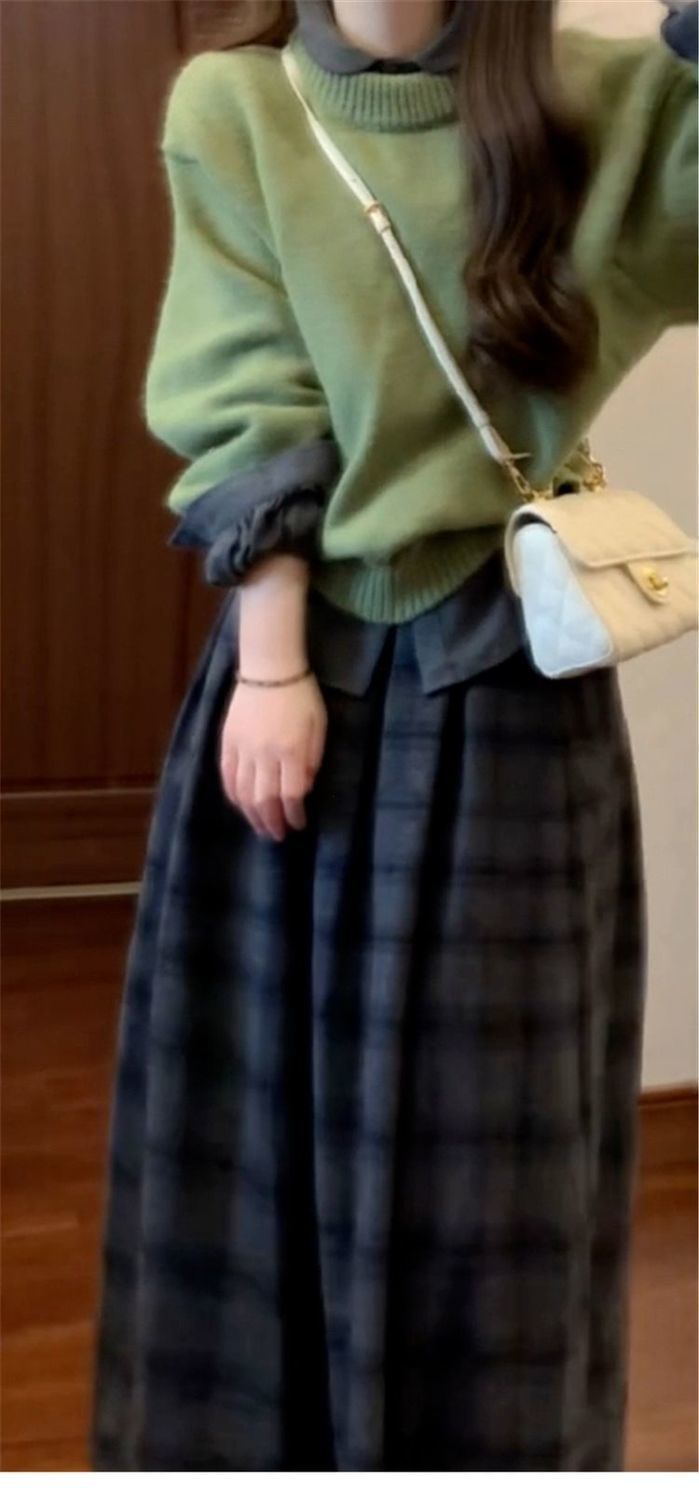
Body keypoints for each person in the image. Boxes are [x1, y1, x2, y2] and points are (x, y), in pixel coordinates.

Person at [91, 0, 698, 1472]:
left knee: (497, 1180)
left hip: (517, 696)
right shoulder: (234, 105)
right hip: (300, 685)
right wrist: (271, 664)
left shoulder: (597, 96)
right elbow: (248, 393)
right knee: (252, 1143)